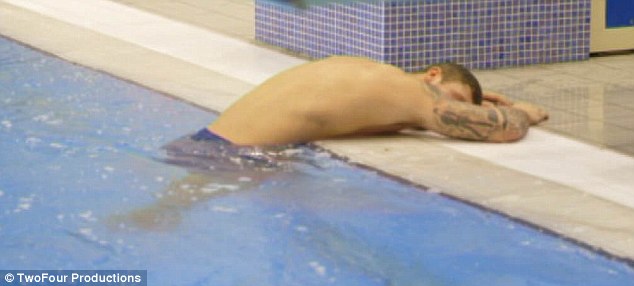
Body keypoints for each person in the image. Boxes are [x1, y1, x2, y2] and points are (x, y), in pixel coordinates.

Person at [206, 56, 548, 146]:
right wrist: (522, 113)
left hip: (208, 143)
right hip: (232, 158)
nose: (455, 109)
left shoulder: (364, 71)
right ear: (433, 75)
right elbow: (502, 130)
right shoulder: (411, 91)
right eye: (457, 99)